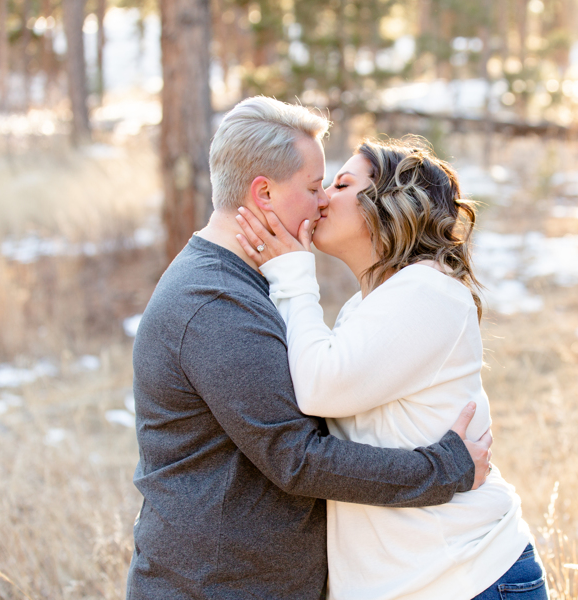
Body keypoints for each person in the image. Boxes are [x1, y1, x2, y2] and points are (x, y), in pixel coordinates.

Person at [125, 97, 494, 600]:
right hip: (213, 588)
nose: (322, 201)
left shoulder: (249, 285)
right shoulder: (212, 302)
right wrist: (442, 469)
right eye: (314, 186)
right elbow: (296, 458)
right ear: (265, 193)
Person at [235, 137, 549, 600]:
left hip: (466, 577)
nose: (322, 198)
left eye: (341, 184)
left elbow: (319, 386)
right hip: (414, 583)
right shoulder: (363, 309)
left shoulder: (428, 291)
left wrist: (292, 274)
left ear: (391, 204)